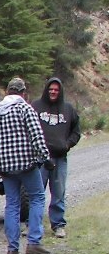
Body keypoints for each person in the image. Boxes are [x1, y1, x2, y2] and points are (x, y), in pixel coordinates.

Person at [0, 77, 54, 254]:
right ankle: (33, 241)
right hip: (26, 164)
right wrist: (46, 159)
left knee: (12, 205)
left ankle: (12, 249)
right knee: (37, 198)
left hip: (5, 167)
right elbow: (37, 137)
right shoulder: (25, 109)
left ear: (7, 92)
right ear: (23, 93)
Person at [31, 77, 81, 238]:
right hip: (40, 159)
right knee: (36, 193)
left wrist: (67, 144)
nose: (53, 92)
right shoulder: (36, 106)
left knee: (58, 192)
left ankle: (58, 224)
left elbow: (76, 132)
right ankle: (32, 224)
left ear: (60, 92)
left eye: (56, 90)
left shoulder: (68, 109)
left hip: (59, 158)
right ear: (46, 90)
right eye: (51, 89)